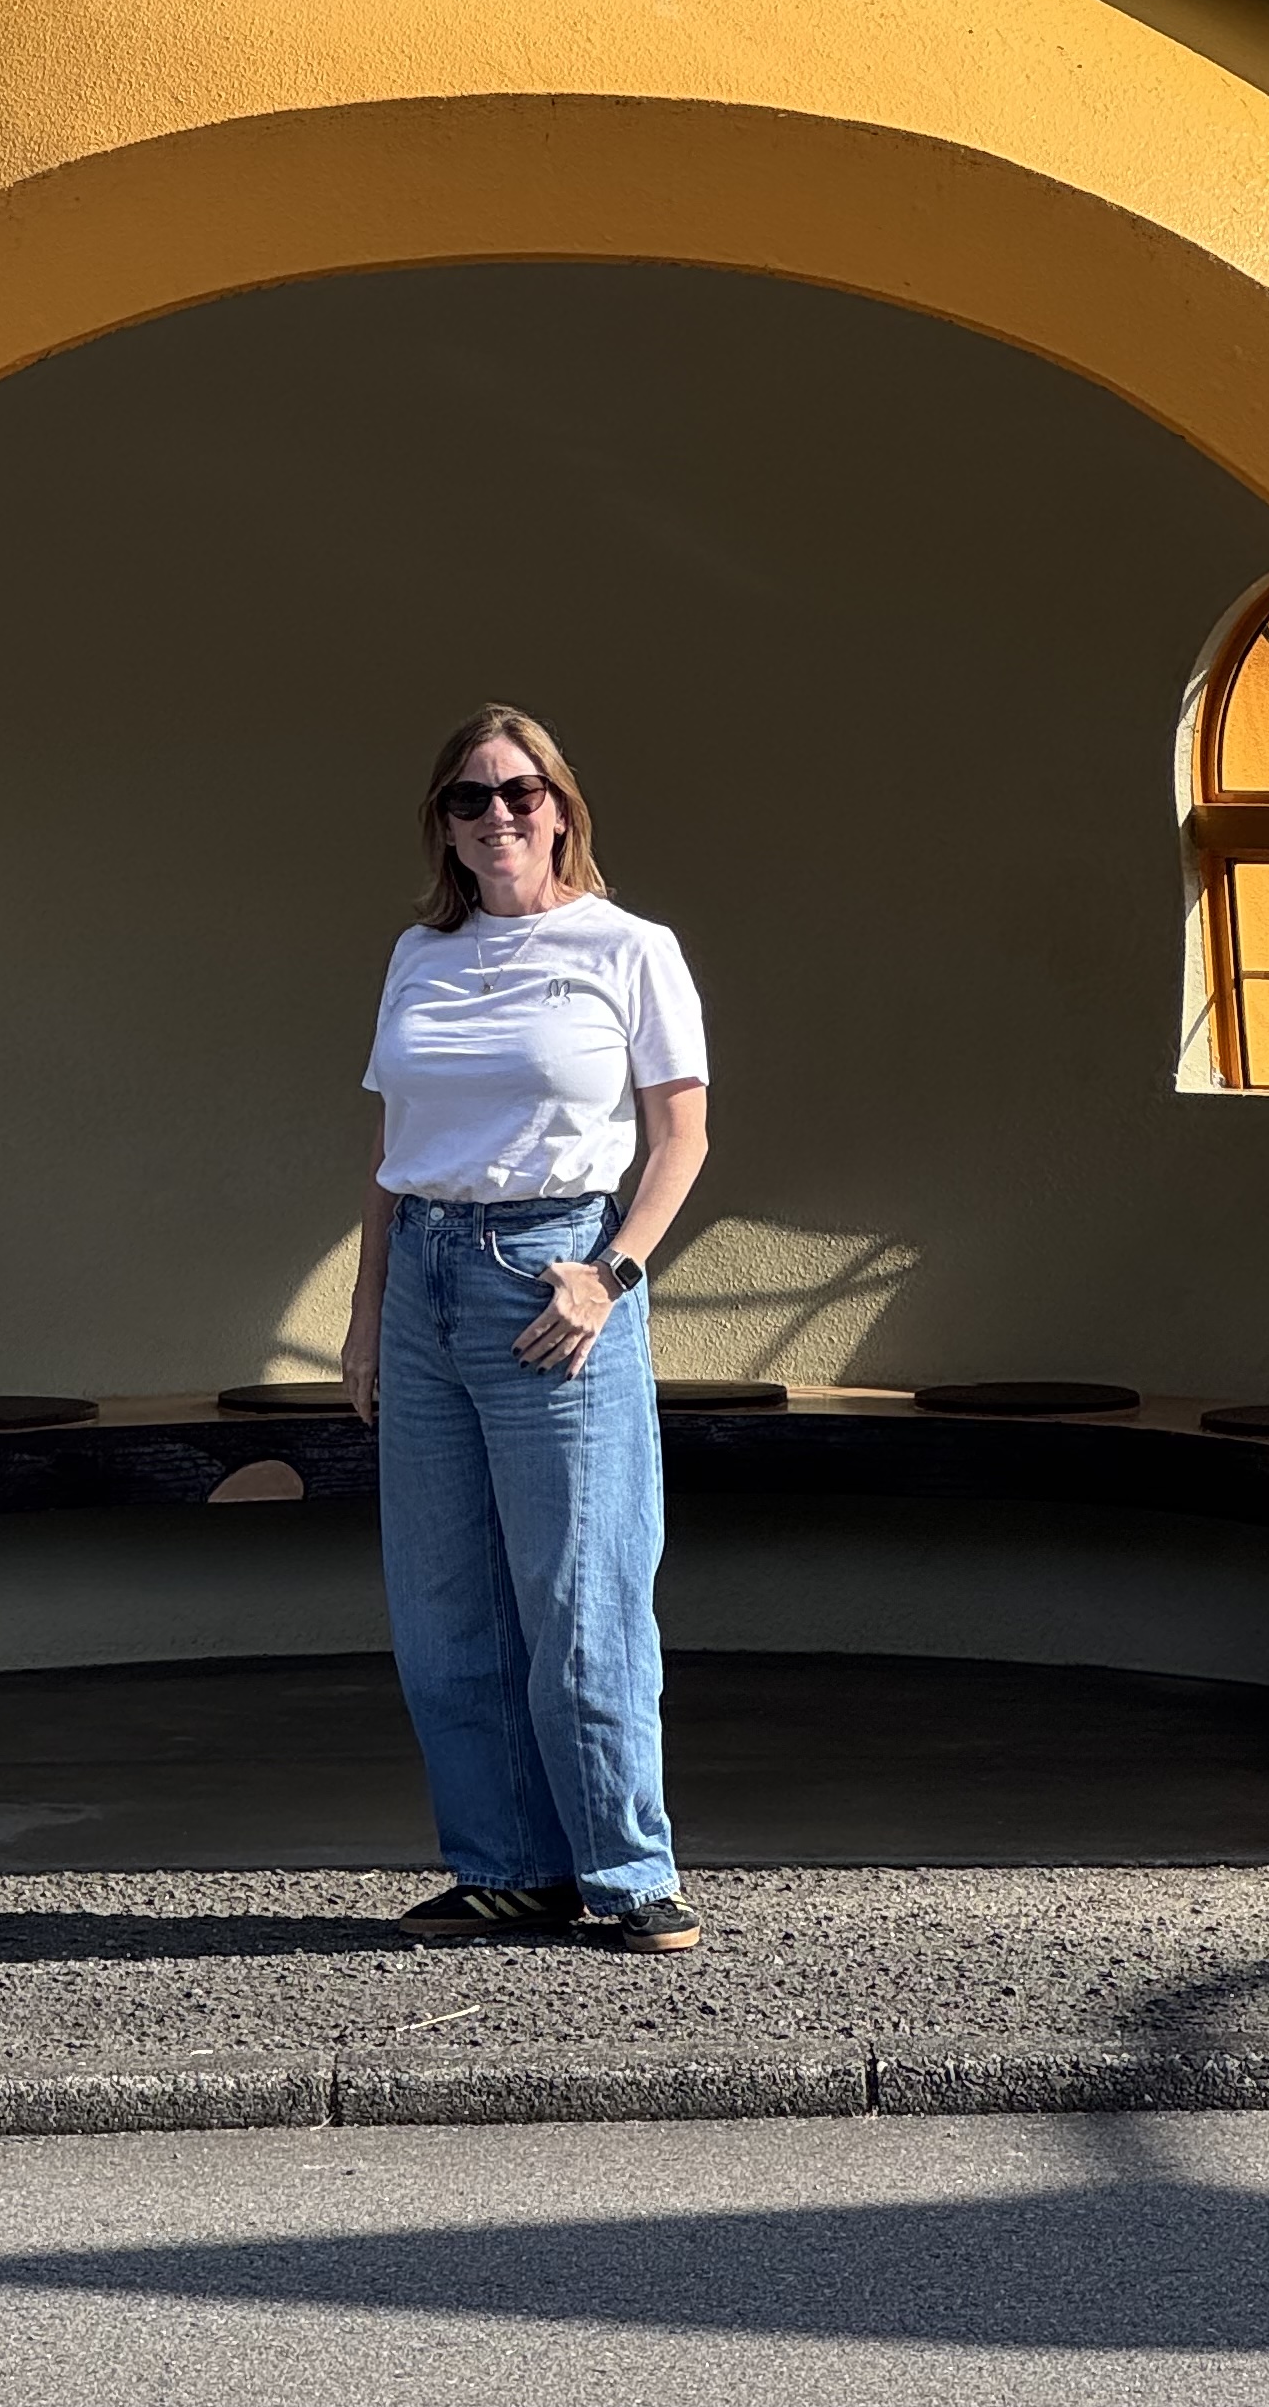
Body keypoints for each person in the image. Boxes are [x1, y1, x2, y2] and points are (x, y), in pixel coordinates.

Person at [342, 703, 711, 1952]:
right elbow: (390, 1151)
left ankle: (628, 1872)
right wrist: (365, 1316)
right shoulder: (419, 955)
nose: (497, 814)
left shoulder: (629, 947)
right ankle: (505, 1868)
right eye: (470, 797)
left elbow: (681, 1137)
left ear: (560, 809)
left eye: (520, 792)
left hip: (552, 1275)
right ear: (442, 827)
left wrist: (610, 1274)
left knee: (581, 1590)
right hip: (425, 1282)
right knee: (442, 1599)